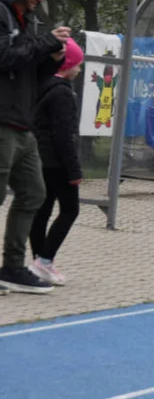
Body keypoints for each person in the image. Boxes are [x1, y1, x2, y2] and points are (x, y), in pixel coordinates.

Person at [0, 0, 68, 294]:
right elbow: (4, 57)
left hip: (20, 125)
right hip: (1, 123)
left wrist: (49, 60)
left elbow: (27, 74)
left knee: (34, 192)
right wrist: (45, 44)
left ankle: (11, 267)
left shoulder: (24, 23)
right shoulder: (1, 15)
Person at [28, 38, 83, 286]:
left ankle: (39, 260)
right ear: (68, 64)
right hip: (58, 161)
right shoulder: (62, 94)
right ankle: (45, 260)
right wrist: (74, 169)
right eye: (77, 64)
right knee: (70, 209)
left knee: (43, 210)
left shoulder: (44, 87)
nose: (79, 70)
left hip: (41, 157)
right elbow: (64, 135)